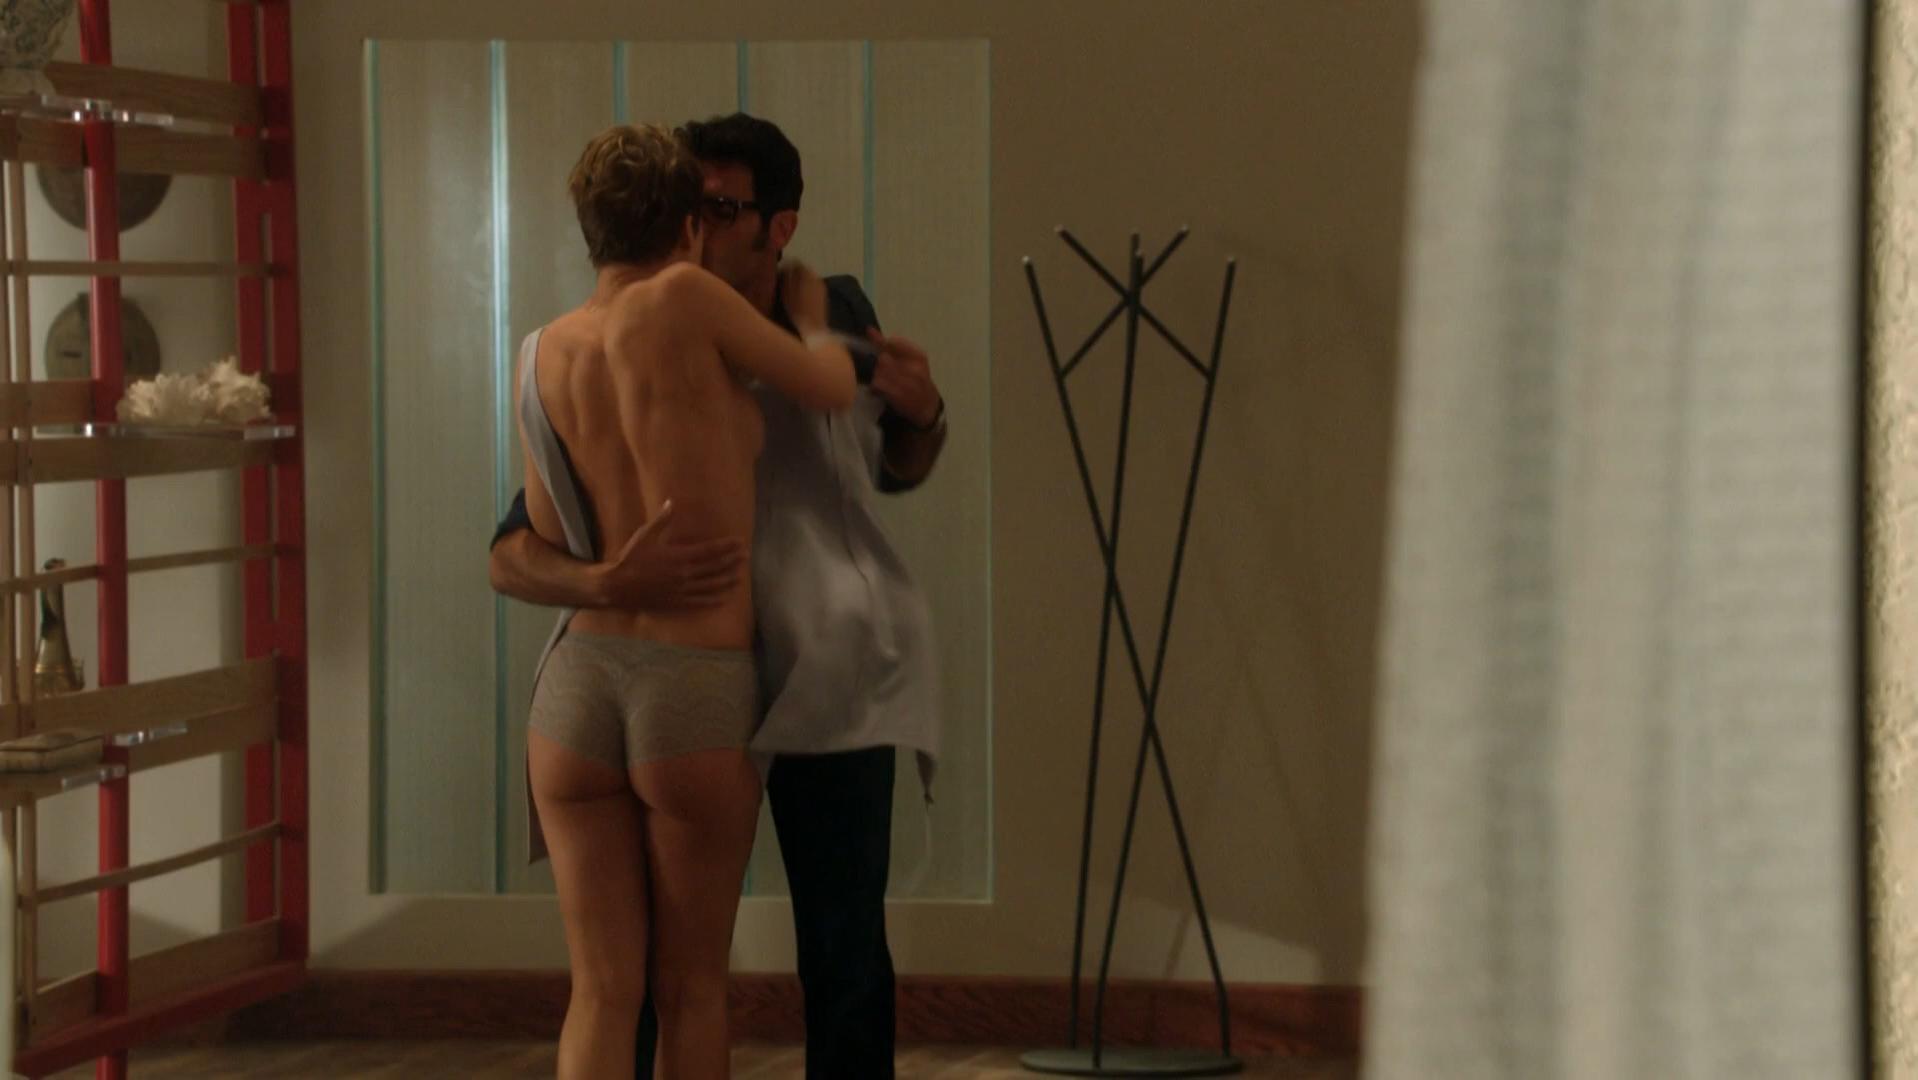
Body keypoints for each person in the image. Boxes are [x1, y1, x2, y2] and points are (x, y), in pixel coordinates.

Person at [491, 112, 948, 1079]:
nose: (708, 221)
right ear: (680, 222)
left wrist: (922, 413)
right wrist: (606, 575)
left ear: (778, 226)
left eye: (727, 205)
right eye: (699, 204)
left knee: (637, 982)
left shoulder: (547, 346)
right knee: (687, 984)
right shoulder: (689, 304)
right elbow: (514, 547)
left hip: (737, 670)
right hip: (695, 673)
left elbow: (894, 464)